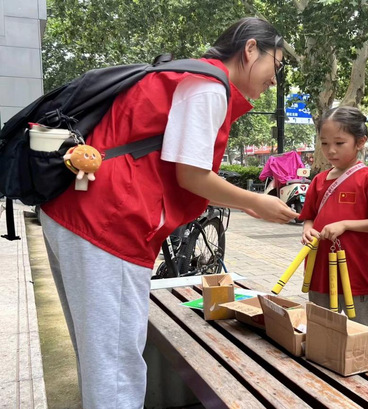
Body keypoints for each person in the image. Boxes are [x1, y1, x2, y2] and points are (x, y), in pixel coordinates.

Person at [39, 17, 298, 409]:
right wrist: (255, 202)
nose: (274, 80)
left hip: (77, 211)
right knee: (116, 367)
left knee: (100, 357)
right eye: (275, 65)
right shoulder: (209, 87)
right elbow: (191, 175)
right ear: (250, 50)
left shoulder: (189, 77)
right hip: (108, 225)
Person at [299, 106, 368, 339]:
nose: (330, 150)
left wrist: (345, 224)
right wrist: (308, 230)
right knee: (321, 334)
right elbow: (309, 217)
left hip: (354, 270)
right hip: (318, 269)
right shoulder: (319, 180)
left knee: (362, 336)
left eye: (339, 143)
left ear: (360, 142)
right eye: (324, 143)